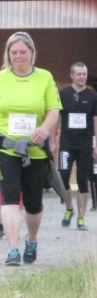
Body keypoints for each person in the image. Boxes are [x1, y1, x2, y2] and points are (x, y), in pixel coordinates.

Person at [0, 31, 61, 265]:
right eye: (14, 52)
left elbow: (53, 110)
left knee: (33, 204)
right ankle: (13, 249)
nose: (18, 56)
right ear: (8, 54)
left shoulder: (45, 77)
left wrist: (44, 130)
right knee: (9, 198)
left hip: (34, 149)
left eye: (22, 52)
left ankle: (32, 239)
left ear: (32, 53)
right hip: (6, 147)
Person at [55, 62, 97, 230]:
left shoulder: (93, 95)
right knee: (63, 177)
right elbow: (55, 117)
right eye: (78, 74)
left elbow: (96, 121)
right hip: (66, 144)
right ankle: (69, 209)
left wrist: (96, 144)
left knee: (82, 181)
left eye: (84, 74)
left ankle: (81, 217)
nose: (82, 77)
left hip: (85, 145)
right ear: (71, 75)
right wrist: (53, 141)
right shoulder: (63, 94)